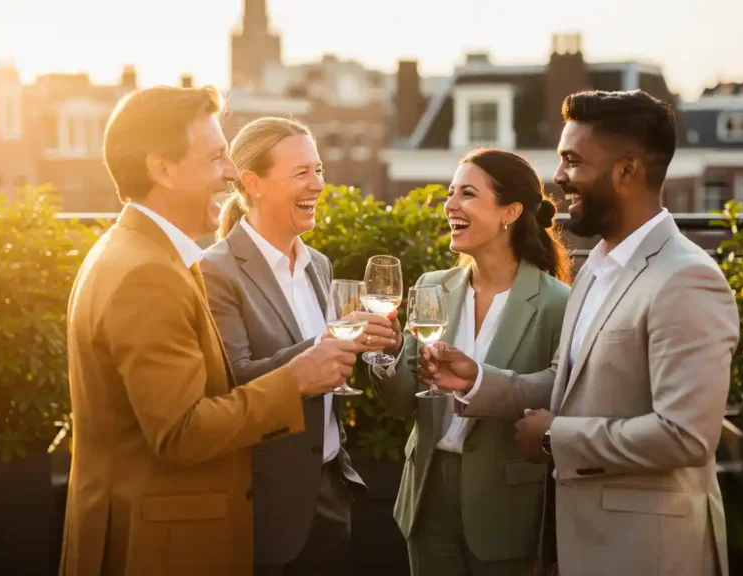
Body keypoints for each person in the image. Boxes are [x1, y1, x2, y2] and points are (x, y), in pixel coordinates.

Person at [421, 90, 739, 576]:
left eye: (573, 161)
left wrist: (555, 438)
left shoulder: (687, 278)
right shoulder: (594, 271)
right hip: (576, 545)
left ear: (627, 170)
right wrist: (477, 381)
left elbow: (685, 436)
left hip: (646, 553)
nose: (559, 177)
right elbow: (569, 387)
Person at [60, 87, 358, 576]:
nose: (228, 172)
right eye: (217, 156)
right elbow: (181, 432)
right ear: (162, 169)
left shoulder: (131, 250)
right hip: (160, 543)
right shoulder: (147, 274)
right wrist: (296, 379)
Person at [200, 116, 394, 575]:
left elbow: (331, 369)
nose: (319, 184)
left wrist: (376, 343)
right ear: (254, 183)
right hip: (263, 503)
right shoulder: (216, 271)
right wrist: (324, 344)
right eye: (302, 173)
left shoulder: (319, 265)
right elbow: (233, 381)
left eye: (320, 169)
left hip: (328, 493)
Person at [370, 148, 571, 575]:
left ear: (510, 211)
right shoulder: (432, 286)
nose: (450, 205)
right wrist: (388, 355)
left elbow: (562, 390)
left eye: (467, 194)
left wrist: (476, 380)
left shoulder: (558, 302)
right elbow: (402, 401)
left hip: (506, 504)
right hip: (426, 496)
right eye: (450, 192)